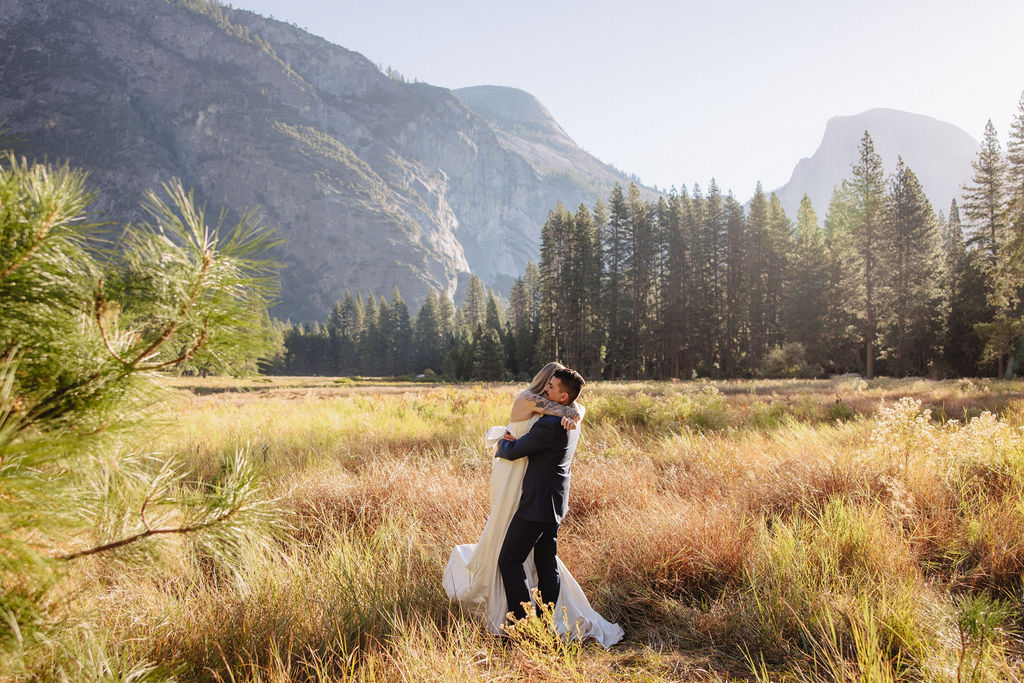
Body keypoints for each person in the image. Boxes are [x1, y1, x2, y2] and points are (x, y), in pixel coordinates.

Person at [442, 363, 623, 648]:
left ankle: (523, 625)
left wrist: (503, 441)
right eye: (547, 385)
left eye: (552, 388)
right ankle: (544, 618)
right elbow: (573, 410)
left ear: (563, 397)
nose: (547, 389)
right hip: (555, 500)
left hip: (536, 503)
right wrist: (572, 411)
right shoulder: (564, 418)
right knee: (545, 561)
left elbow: (515, 451)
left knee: (509, 559)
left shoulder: (551, 423)